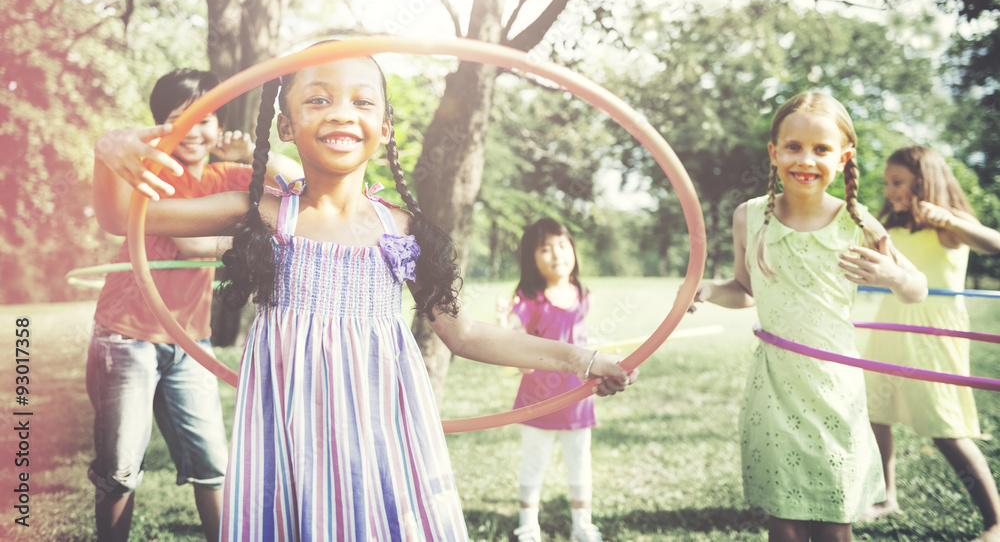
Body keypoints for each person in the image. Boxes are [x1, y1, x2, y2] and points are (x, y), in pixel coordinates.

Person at [91, 50, 638, 541]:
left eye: (361, 101)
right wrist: (108, 147)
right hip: (290, 441)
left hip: (382, 441)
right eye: (318, 99)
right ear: (284, 123)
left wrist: (581, 359)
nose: (340, 112)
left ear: (385, 125)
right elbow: (122, 217)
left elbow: (465, 334)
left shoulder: (404, 231)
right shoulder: (257, 213)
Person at [690, 91, 927, 542]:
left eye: (821, 149)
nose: (806, 159)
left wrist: (894, 275)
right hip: (775, 386)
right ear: (774, 152)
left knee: (835, 519)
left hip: (835, 388)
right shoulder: (750, 217)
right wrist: (709, 290)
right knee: (785, 519)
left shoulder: (856, 221)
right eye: (794, 147)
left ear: (843, 159)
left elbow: (917, 290)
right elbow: (745, 291)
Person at [87, 68, 301, 542]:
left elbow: (299, 184)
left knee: (214, 466)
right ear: (159, 126)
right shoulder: (151, 175)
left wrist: (253, 153)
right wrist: (238, 240)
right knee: (121, 469)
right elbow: (191, 246)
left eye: (206, 117)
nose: (195, 129)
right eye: (180, 118)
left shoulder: (229, 175)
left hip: (190, 340)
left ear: (219, 125)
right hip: (126, 335)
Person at [861, 145, 1000, 541]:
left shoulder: (950, 227)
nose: (889, 190)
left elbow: (995, 243)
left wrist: (951, 218)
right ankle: (887, 496)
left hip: (934, 334)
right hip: (890, 325)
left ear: (924, 181)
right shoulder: (894, 228)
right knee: (877, 412)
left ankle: (995, 520)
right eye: (888, 183)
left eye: (898, 182)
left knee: (945, 428)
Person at [496, 218, 603, 542]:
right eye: (545, 249)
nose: (556, 254)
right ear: (532, 259)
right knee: (534, 461)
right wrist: (505, 322)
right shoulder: (530, 300)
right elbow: (513, 330)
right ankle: (528, 526)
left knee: (579, 461)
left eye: (561, 245)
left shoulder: (583, 295)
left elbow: (580, 335)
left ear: (572, 249)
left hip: (578, 397)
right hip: (538, 399)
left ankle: (582, 524)